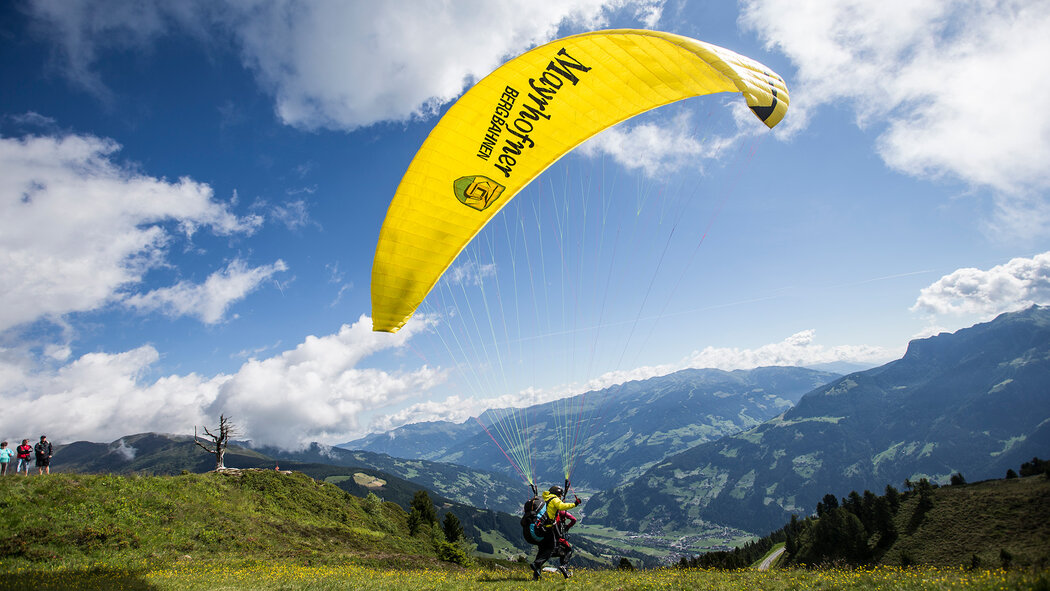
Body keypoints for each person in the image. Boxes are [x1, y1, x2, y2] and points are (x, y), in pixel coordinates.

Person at [530, 485, 582, 580]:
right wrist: (575, 504)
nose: (560, 498)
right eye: (560, 496)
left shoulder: (545, 499)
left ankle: (536, 574)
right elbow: (562, 506)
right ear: (558, 494)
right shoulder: (554, 500)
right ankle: (561, 567)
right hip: (549, 529)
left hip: (541, 529)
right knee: (554, 548)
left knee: (542, 551)